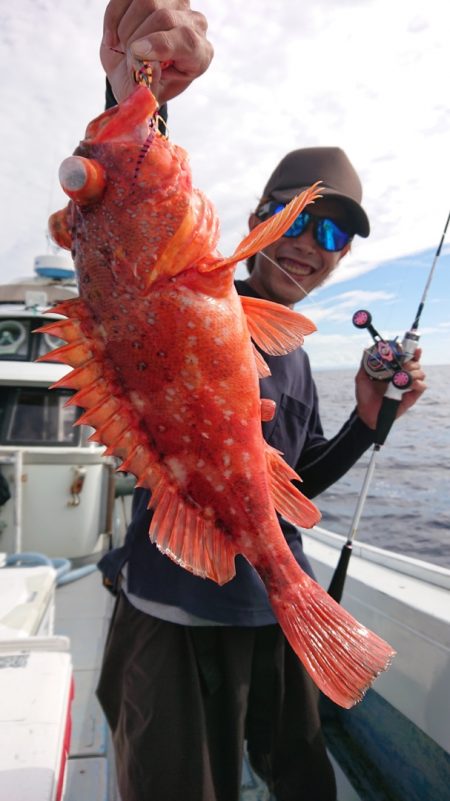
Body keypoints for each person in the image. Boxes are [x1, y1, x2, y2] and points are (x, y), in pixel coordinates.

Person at [96, 4, 427, 801]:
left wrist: (367, 421)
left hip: (270, 610)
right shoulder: (193, 300)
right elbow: (132, 219)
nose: (312, 244)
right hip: (173, 610)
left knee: (305, 782)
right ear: (257, 222)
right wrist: (138, 85)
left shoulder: (297, 352)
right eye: (301, 218)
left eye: (336, 236)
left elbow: (292, 487)